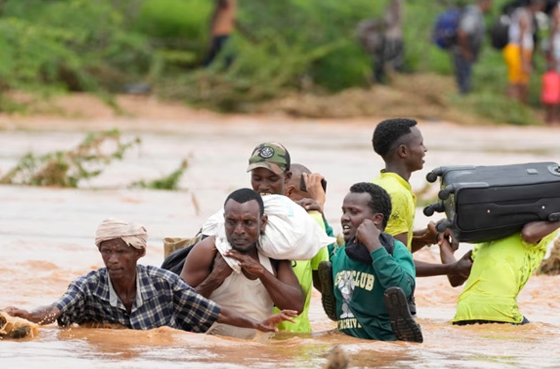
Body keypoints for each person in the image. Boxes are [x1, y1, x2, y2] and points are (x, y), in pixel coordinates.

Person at [1, 218, 296, 333]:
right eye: (106, 252)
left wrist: (257, 323)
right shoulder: (88, 286)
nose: (112, 260)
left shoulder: (163, 283)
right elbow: (56, 310)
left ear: (139, 253)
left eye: (120, 252)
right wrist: (26, 315)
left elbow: (215, 312)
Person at [197, 143, 330, 334]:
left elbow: (323, 286)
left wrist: (321, 209)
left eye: (272, 178)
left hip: (293, 337)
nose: (263, 186)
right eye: (257, 178)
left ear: (287, 178)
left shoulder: (307, 225)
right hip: (249, 341)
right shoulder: (224, 226)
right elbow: (184, 302)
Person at [441, 192, 560, 325]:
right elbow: (529, 234)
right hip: (500, 310)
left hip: (464, 312)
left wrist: (443, 244)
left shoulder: (487, 236)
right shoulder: (537, 233)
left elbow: (455, 278)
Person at [181, 189, 305, 339]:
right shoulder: (209, 250)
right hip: (213, 355)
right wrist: (214, 279)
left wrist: (262, 272)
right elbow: (180, 307)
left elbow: (295, 307)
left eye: (248, 223)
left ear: (263, 222)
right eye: (232, 222)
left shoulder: (274, 255)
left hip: (258, 353)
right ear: (224, 220)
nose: (239, 231)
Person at [370, 118, 473, 280]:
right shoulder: (397, 193)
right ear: (403, 151)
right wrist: (452, 267)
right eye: (420, 144)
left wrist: (425, 238)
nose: (425, 149)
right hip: (385, 292)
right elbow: (396, 263)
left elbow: (386, 247)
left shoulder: (382, 182)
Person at [321, 182, 422, 342]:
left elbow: (403, 289)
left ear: (376, 218)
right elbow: (324, 242)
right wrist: (318, 212)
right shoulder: (341, 253)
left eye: (353, 212)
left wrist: (374, 245)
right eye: (344, 211)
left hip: (386, 347)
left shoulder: (397, 250)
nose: (345, 217)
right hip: (348, 343)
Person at [504, 0, 545, 103]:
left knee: (523, 81)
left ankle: (518, 105)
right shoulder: (523, 15)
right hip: (518, 50)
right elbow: (521, 38)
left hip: (522, 51)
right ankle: (510, 105)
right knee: (515, 81)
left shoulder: (528, 14)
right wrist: (523, 60)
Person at [451, 0, 492, 95]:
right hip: (462, 53)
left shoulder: (476, 14)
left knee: (465, 80)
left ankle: (462, 100)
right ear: (485, 2)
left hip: (465, 52)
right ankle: (462, 103)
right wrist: (465, 51)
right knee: (465, 83)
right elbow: (463, 33)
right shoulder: (473, 15)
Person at [203, 0, 237, 67]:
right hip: (219, 30)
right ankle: (205, 66)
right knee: (214, 51)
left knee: (219, 51)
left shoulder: (229, 3)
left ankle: (205, 66)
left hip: (222, 31)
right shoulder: (226, 4)